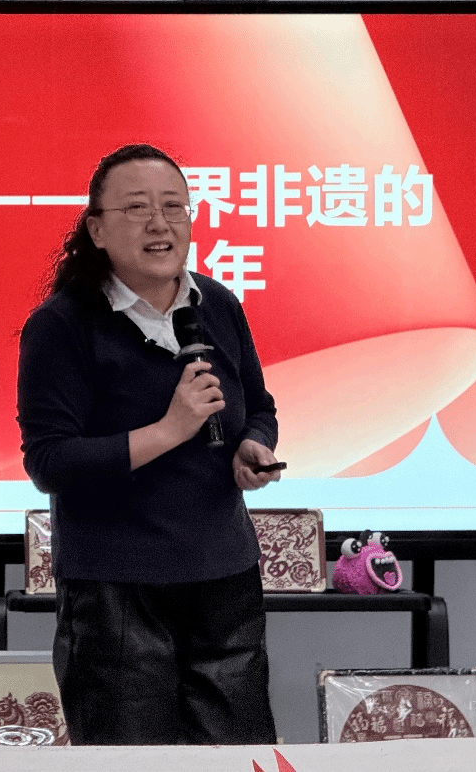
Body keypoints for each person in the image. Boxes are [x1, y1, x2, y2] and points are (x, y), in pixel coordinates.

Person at [16, 143, 283, 745]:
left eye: (173, 207)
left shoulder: (217, 305)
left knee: (236, 758)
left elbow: (259, 407)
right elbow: (51, 461)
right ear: (97, 229)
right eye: (137, 208)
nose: (160, 224)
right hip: (116, 592)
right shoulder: (62, 325)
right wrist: (169, 430)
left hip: (224, 577)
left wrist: (252, 446)